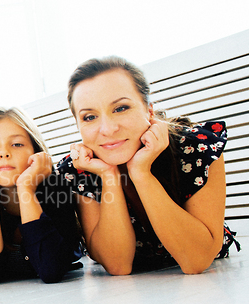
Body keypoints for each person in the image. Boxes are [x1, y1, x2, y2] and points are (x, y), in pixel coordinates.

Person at [56, 56, 239, 275]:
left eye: (121, 108)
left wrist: (140, 172)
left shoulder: (196, 147)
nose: (107, 129)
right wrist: (108, 176)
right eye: (89, 117)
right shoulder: (79, 170)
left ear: (149, 111)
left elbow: (196, 260)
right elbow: (118, 265)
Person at [0, 108, 83, 285]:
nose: (4, 153)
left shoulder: (57, 189)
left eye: (17, 144)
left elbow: (51, 270)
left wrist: (26, 188)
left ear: (35, 152)